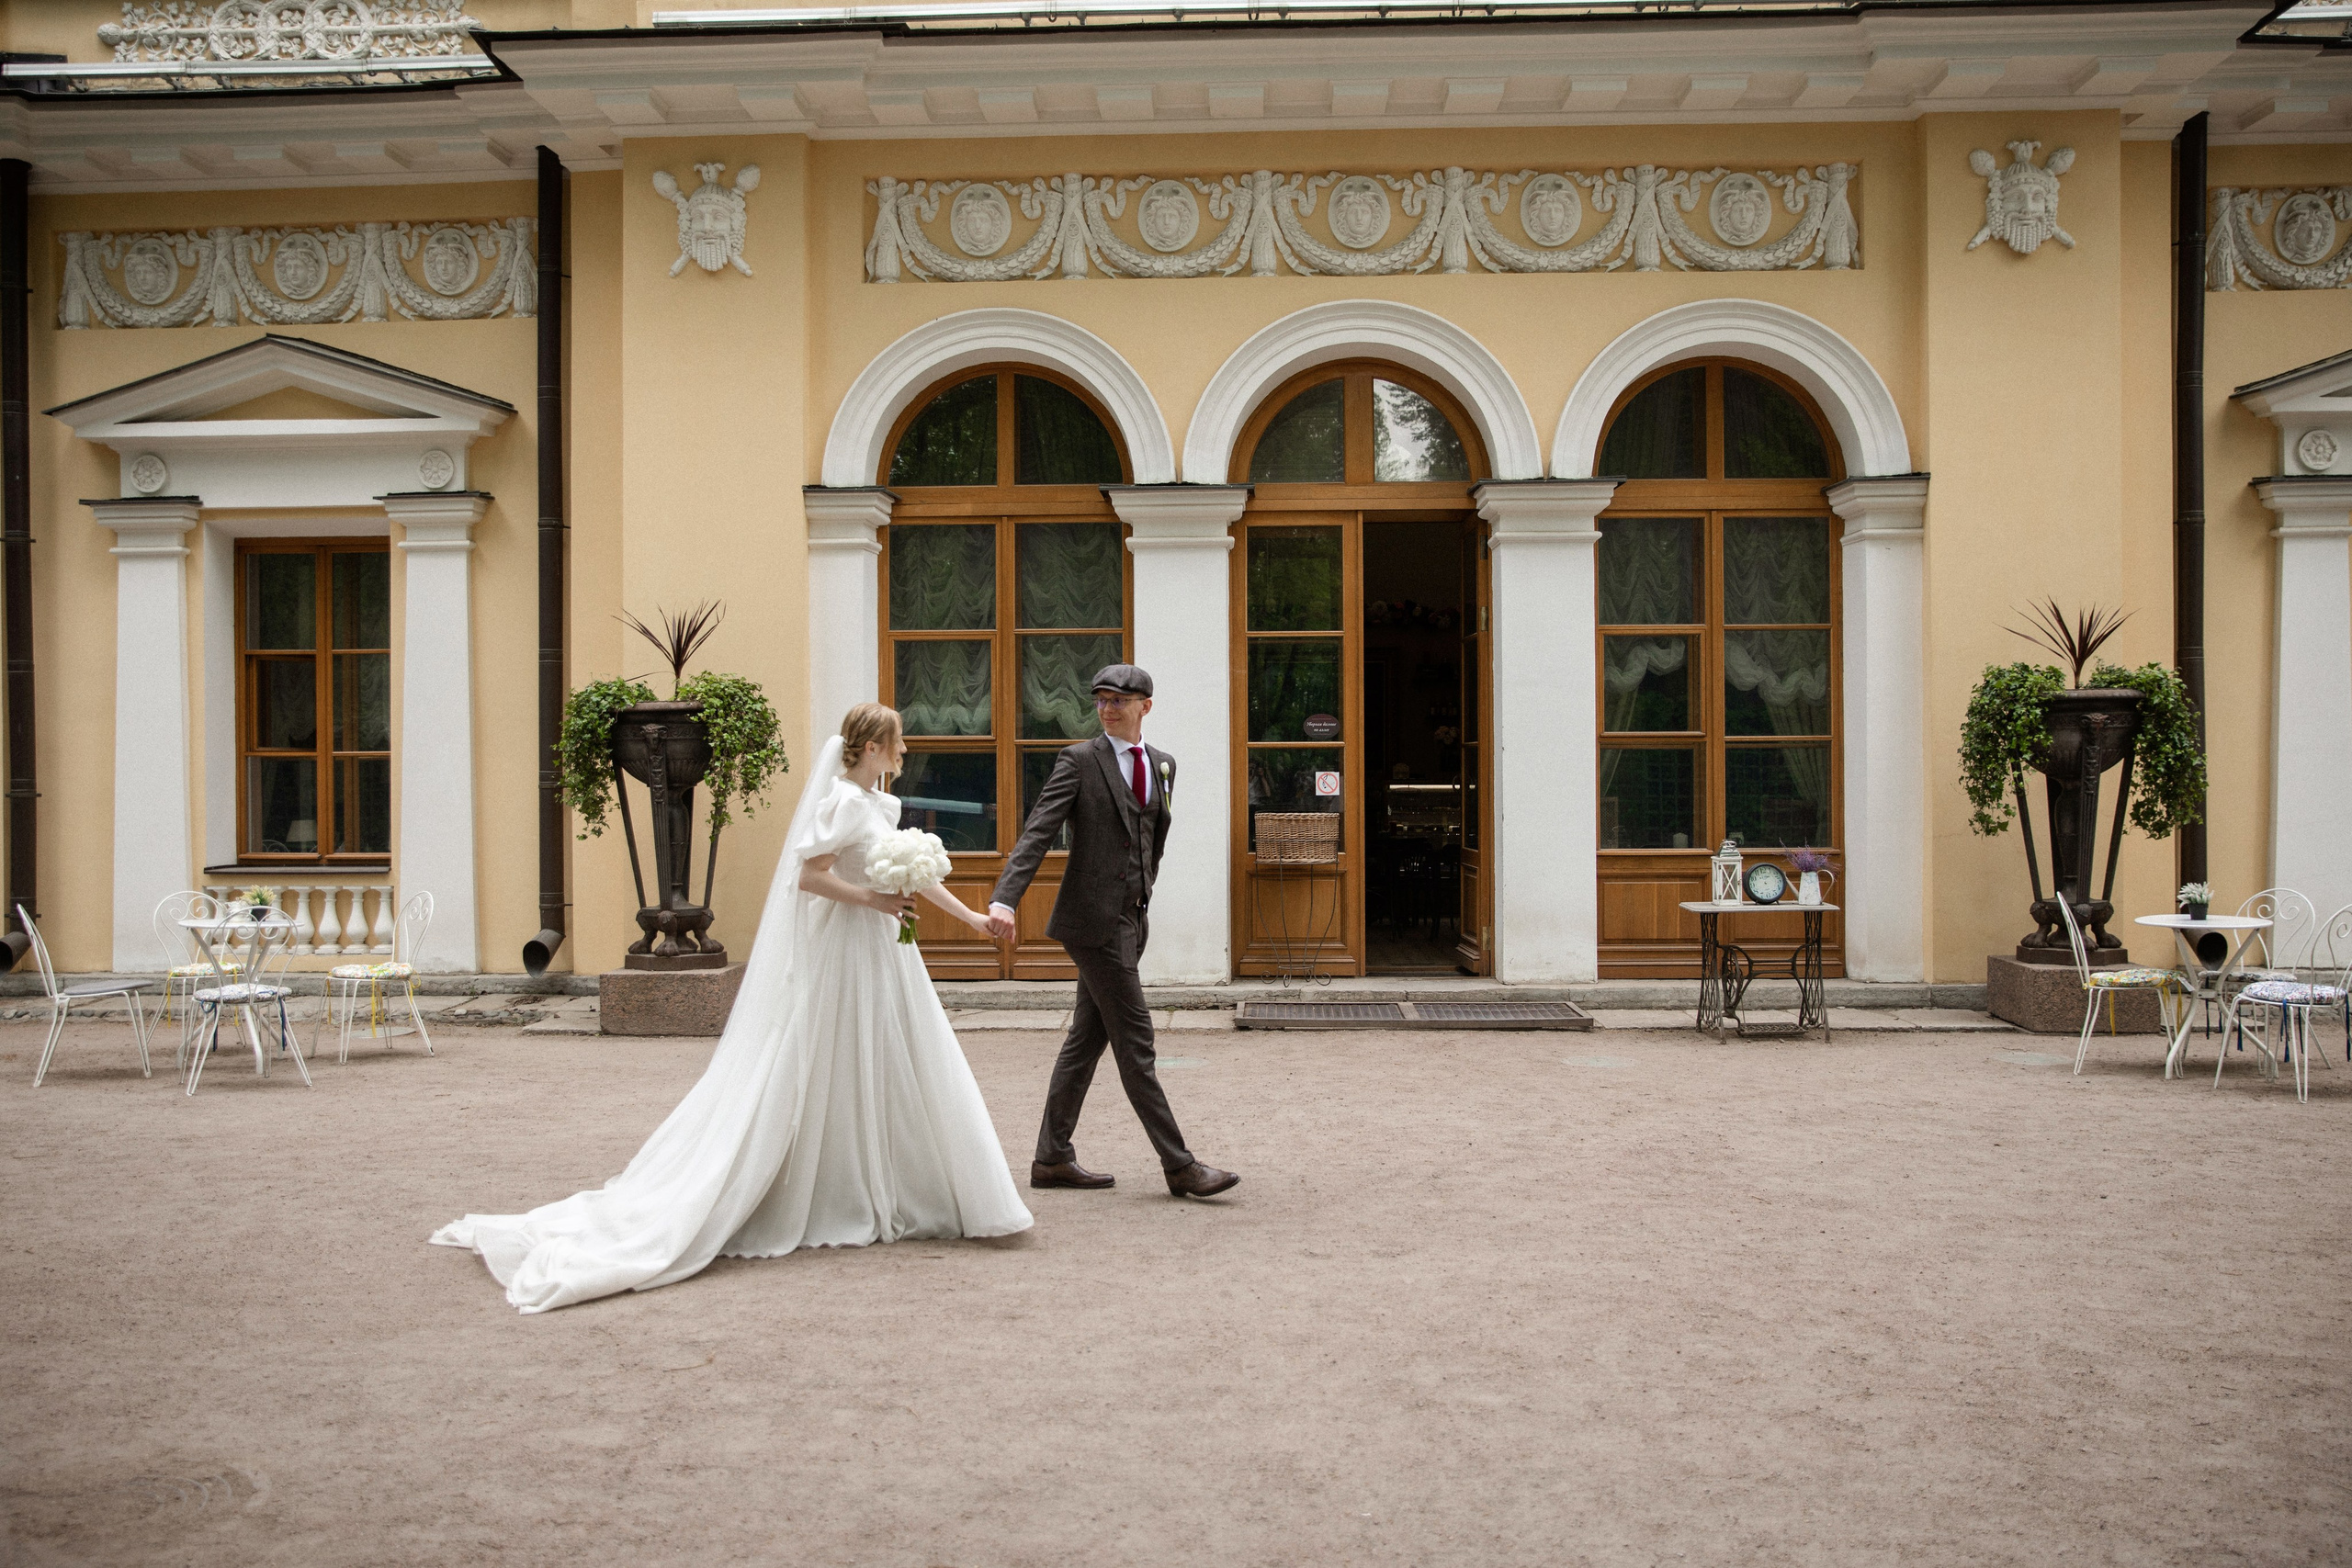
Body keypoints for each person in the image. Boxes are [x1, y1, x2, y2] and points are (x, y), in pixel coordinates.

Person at [430, 704, 1032, 1314]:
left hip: (884, 953)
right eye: (896, 741)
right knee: (826, 1056)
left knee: (893, 1057)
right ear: (873, 747)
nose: (904, 750)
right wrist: (871, 901)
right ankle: (832, 1189)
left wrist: (973, 918)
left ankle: (897, 1185)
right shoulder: (845, 803)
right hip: (845, 947)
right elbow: (810, 877)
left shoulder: (881, 805)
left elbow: (915, 878)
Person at [988, 663, 1238, 1200]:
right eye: (1100, 699)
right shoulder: (1079, 760)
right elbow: (1038, 831)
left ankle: (1051, 1158)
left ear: (1145, 706)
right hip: (1093, 923)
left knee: (1085, 1041)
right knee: (1136, 1041)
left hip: (1132, 919)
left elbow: (1152, 838)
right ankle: (1180, 1166)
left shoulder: (1163, 765)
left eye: (1118, 700)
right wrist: (1005, 899)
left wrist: (1141, 894)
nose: (1107, 709)